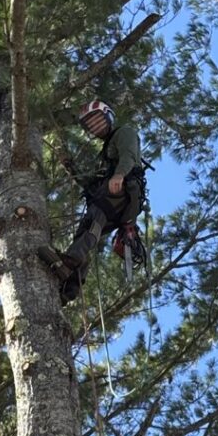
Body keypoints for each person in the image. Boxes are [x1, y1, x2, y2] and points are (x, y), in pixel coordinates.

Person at [38, 99, 144, 302]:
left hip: (124, 191)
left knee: (94, 220)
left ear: (108, 117)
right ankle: (69, 288)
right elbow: (90, 183)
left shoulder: (124, 133)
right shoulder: (104, 155)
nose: (95, 128)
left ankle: (70, 262)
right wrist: (70, 166)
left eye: (97, 121)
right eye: (91, 126)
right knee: (85, 233)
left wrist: (119, 175)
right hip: (112, 197)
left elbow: (129, 156)